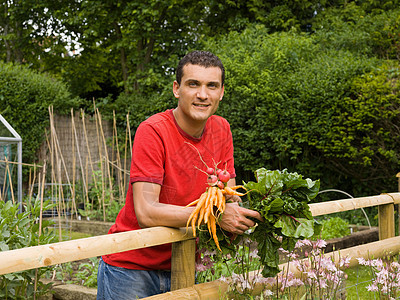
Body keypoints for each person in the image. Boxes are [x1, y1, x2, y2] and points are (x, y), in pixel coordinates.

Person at [96, 50, 262, 299]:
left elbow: (228, 197)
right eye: (193, 84)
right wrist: (215, 217)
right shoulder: (153, 131)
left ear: (221, 92)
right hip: (132, 266)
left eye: (211, 86)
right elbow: (146, 212)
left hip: (183, 260)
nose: (202, 94)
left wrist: (251, 214)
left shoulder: (221, 129)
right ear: (176, 89)